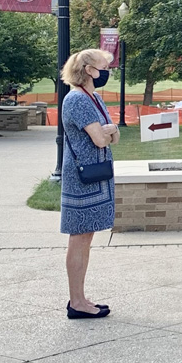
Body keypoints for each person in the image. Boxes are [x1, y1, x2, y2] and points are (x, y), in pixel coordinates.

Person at [60, 49, 119, 319]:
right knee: (79, 239)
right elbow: (100, 138)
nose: (107, 70)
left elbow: (113, 136)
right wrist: (107, 131)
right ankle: (76, 302)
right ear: (88, 70)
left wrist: (109, 132)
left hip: (96, 178)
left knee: (86, 239)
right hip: (82, 181)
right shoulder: (77, 100)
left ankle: (81, 298)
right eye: (103, 66)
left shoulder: (94, 98)